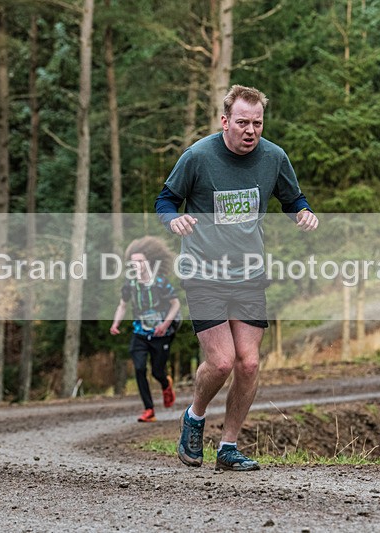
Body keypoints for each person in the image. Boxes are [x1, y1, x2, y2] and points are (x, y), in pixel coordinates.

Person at [155, 84, 319, 471]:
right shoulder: (198, 157)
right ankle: (194, 417)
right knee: (223, 362)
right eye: (242, 122)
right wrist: (174, 219)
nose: (251, 131)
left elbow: (292, 198)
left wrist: (303, 212)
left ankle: (228, 446)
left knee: (249, 364)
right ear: (225, 121)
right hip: (204, 273)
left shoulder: (274, 157)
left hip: (249, 275)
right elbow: (165, 200)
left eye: (257, 123)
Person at [110, 236, 180, 423]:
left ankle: (166, 384)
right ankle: (149, 409)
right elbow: (122, 305)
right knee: (140, 368)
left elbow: (175, 304)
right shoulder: (130, 284)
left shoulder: (160, 283)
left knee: (157, 371)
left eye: (140, 261)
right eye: (134, 262)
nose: (137, 265)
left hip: (160, 334)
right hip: (140, 333)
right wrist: (115, 323)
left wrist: (165, 324)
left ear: (148, 262)